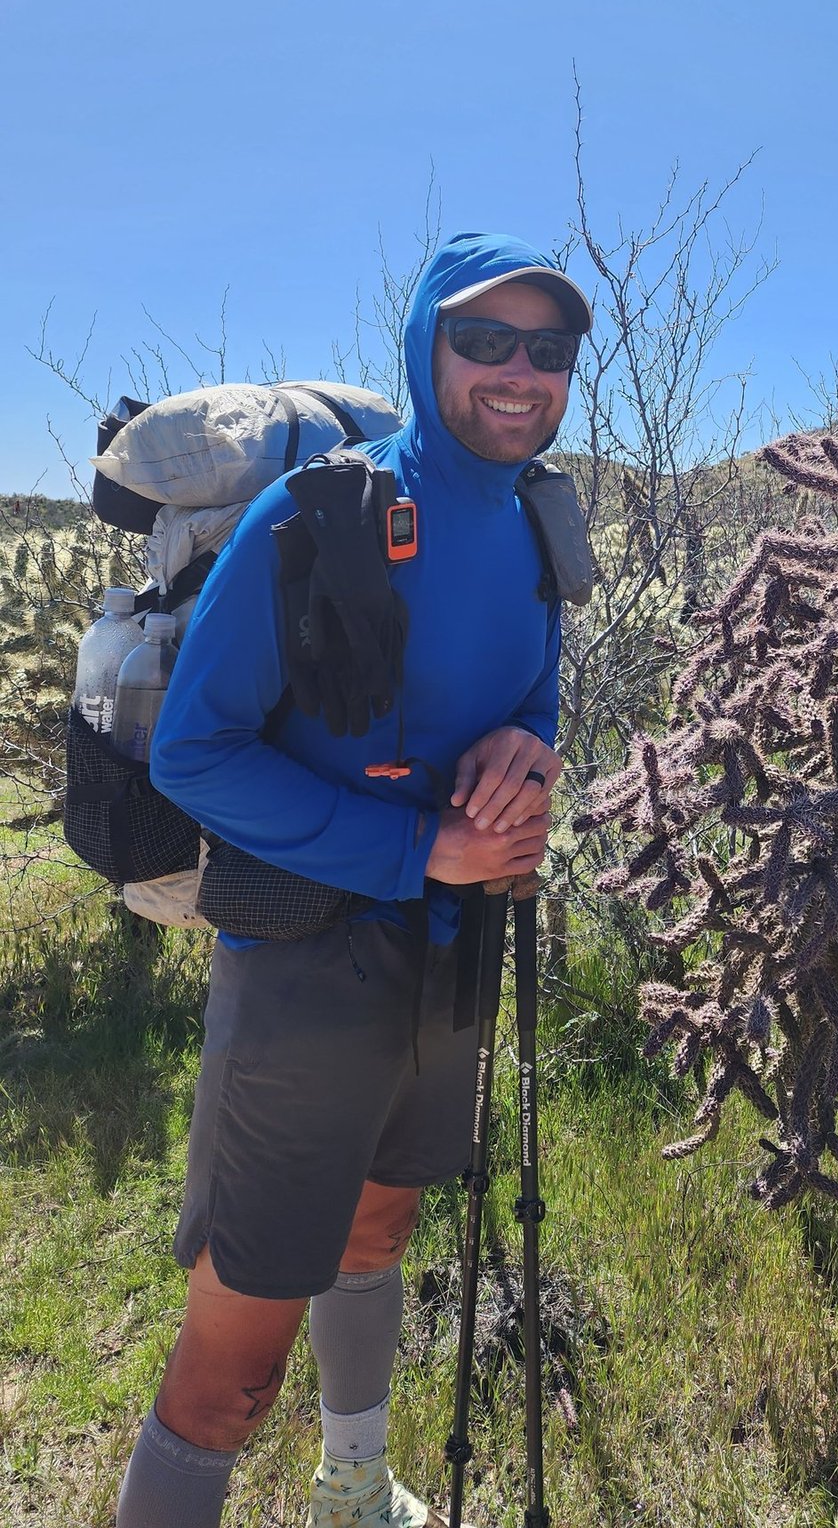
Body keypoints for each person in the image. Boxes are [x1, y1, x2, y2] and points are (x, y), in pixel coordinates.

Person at [115, 233, 593, 1528]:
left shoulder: (539, 519)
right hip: (307, 973)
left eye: (546, 349)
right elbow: (196, 754)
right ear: (427, 342)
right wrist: (421, 849)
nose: (517, 372)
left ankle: (351, 1488)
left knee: (377, 1236)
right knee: (232, 1367)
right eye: (484, 339)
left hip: (449, 958)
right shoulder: (317, 515)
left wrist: (529, 743)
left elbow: (537, 689)